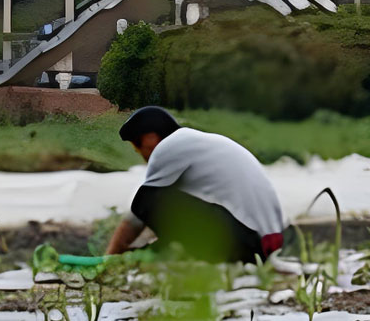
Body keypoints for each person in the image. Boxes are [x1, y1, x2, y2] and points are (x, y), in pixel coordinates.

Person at [106, 107, 286, 264]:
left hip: (248, 243)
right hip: (262, 242)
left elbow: (138, 213)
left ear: (150, 138)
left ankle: (202, 258)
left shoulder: (169, 146)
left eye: (138, 148)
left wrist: (111, 256)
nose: (141, 155)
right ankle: (167, 254)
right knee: (170, 204)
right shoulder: (196, 143)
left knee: (146, 199)